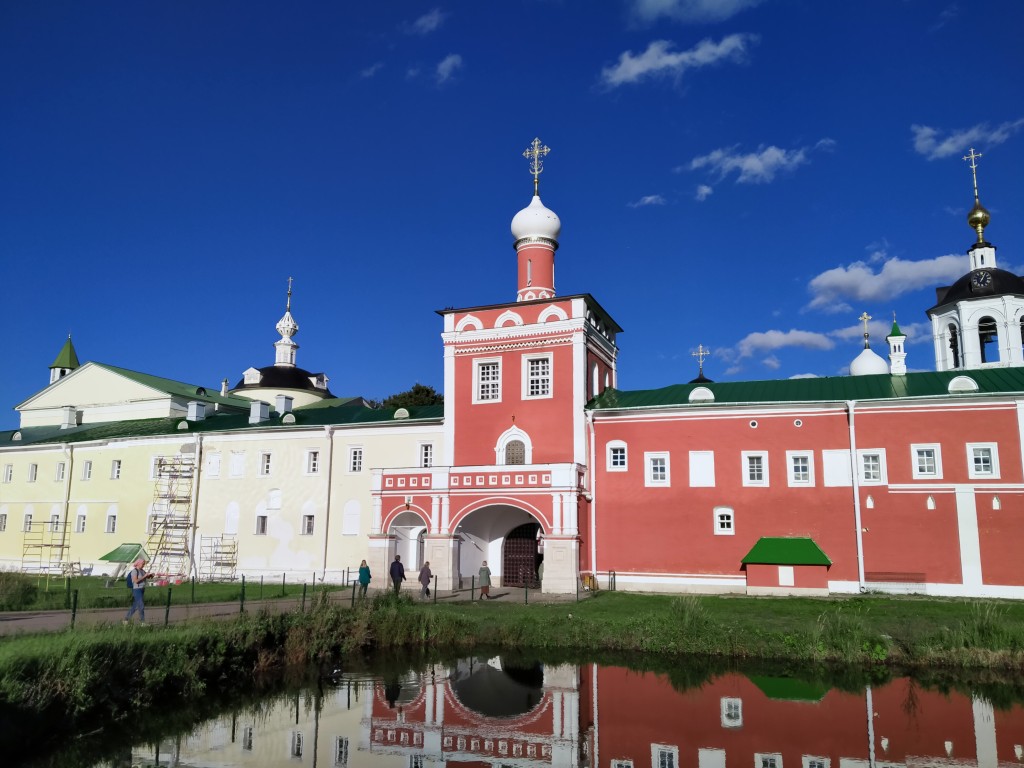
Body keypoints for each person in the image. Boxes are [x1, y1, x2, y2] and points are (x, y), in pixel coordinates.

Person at [123, 557, 154, 625]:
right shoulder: (134, 571)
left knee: (135, 606)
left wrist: (150, 575)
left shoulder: (142, 571)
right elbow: (136, 581)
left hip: (142, 589)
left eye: (144, 564)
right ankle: (142, 622)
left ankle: (126, 619)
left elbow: (146, 577)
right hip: (136, 590)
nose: (143, 565)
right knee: (141, 605)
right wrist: (144, 576)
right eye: (142, 564)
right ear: (138, 564)